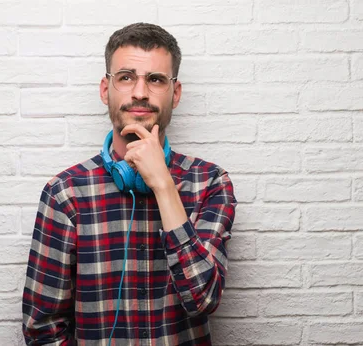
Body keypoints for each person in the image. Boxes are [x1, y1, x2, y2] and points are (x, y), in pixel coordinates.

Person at [22, 22, 237, 346]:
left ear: (175, 93)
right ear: (105, 90)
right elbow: (43, 329)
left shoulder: (209, 183)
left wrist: (164, 185)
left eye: (155, 79)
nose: (140, 92)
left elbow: (203, 299)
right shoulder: (65, 193)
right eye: (126, 77)